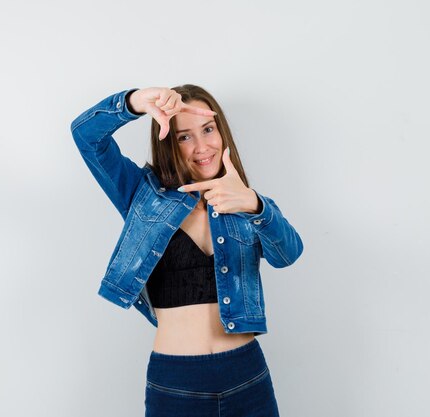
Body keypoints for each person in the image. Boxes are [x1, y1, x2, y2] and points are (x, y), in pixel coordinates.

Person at [70, 85, 303, 417]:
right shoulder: (142, 195)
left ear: (222, 133)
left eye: (208, 129)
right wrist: (135, 102)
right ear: (169, 143)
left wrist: (255, 205)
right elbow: (86, 137)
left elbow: (288, 254)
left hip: (247, 377)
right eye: (184, 137)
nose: (201, 146)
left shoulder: (246, 202)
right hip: (176, 383)